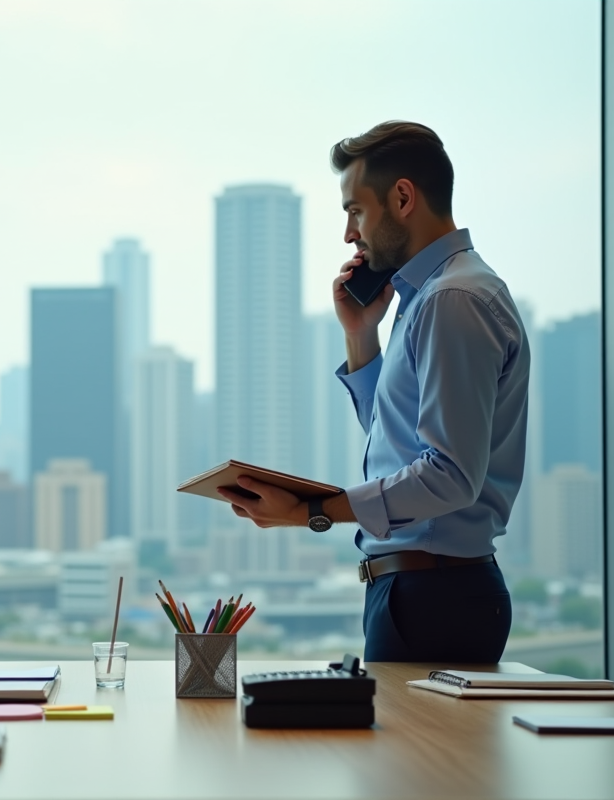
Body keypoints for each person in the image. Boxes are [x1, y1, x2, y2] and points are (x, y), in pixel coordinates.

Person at [218, 121, 530, 663]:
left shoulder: (450, 300)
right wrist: (361, 335)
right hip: (418, 590)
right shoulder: (427, 298)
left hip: (437, 595)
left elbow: (450, 476)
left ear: (403, 197)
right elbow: (402, 442)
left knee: (418, 754)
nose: (349, 234)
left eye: (355, 210)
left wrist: (310, 510)